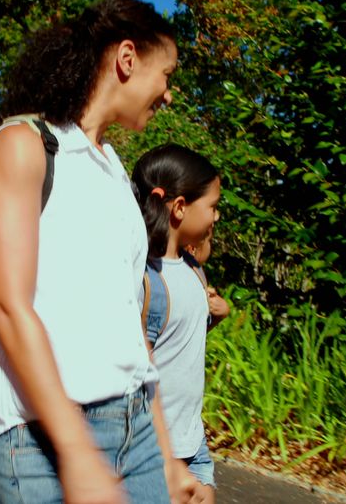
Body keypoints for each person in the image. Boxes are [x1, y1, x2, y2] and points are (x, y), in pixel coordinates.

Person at [0, 0, 196, 504]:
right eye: (167, 74)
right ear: (126, 59)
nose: (168, 95)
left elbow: (131, 324)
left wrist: (164, 453)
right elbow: (8, 308)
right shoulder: (22, 146)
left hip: (134, 429)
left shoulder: (115, 168)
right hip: (43, 439)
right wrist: (76, 452)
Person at [132, 144, 225, 503]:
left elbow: (179, 342)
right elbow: (140, 367)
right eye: (212, 207)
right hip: (156, 446)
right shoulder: (147, 280)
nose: (215, 217)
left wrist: (214, 315)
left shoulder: (192, 271)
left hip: (192, 439)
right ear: (180, 207)